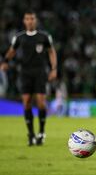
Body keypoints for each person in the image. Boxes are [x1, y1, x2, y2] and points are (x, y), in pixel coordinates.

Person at [0, 11, 57, 146]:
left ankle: (41, 132)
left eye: (32, 18)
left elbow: (51, 52)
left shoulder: (44, 37)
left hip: (40, 73)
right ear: (24, 21)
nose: (30, 21)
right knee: (26, 102)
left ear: (35, 21)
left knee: (41, 103)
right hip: (25, 73)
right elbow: (12, 50)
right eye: (27, 19)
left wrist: (54, 69)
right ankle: (31, 134)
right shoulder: (19, 37)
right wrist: (5, 61)